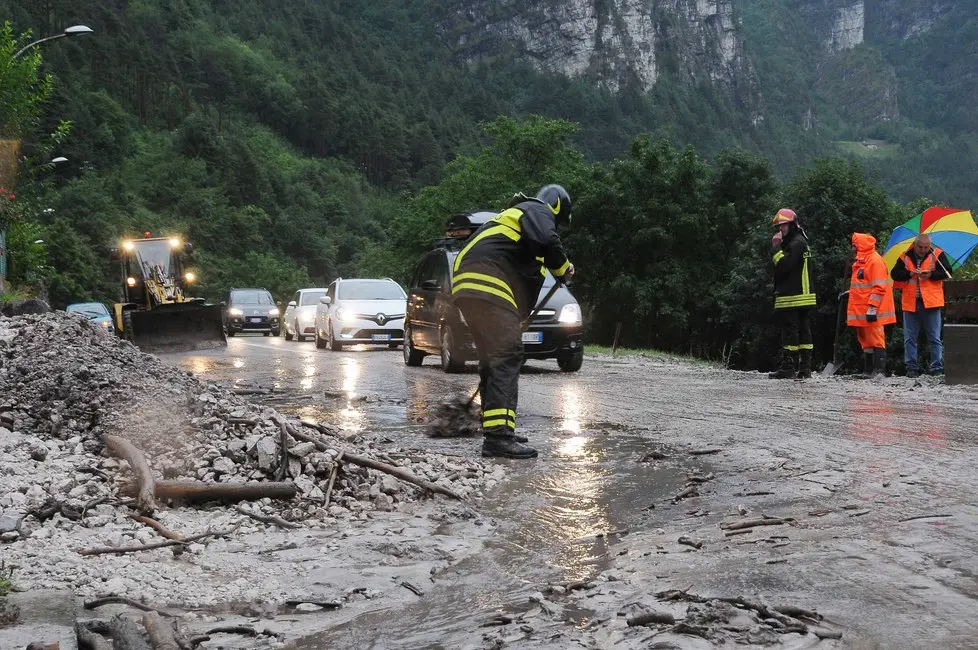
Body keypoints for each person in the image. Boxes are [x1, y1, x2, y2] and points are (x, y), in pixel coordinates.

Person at [452, 184, 575, 459]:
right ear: (556, 206)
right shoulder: (535, 209)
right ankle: (498, 439)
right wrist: (564, 268)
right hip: (486, 280)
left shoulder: (513, 229)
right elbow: (548, 239)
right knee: (508, 354)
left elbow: (525, 287)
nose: (555, 227)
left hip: (466, 284)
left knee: (493, 358)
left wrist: (515, 319)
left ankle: (497, 426)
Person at [890, 233, 952, 377]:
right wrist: (910, 274)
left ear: (929, 245)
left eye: (926, 247)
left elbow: (948, 272)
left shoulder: (937, 254)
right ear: (915, 244)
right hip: (911, 302)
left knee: (934, 337)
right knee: (910, 338)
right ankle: (912, 368)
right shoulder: (904, 256)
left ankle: (936, 367)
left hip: (931, 303)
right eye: (921, 247)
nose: (923, 250)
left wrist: (931, 275)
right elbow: (895, 274)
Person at [769, 208, 816, 379]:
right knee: (803, 331)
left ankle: (789, 367)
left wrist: (775, 248)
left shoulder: (796, 243)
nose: (780, 230)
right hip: (803, 295)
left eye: (783, 226)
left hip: (793, 296)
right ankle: (805, 368)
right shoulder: (801, 241)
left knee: (791, 331)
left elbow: (784, 266)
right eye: (779, 226)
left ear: (792, 225)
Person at [847, 233, 896, 376]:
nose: (853, 248)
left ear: (860, 246)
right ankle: (868, 370)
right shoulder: (861, 261)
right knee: (865, 339)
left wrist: (872, 308)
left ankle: (879, 370)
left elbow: (879, 287)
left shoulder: (874, 261)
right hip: (862, 308)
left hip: (873, 309)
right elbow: (862, 286)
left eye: (854, 245)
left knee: (876, 338)